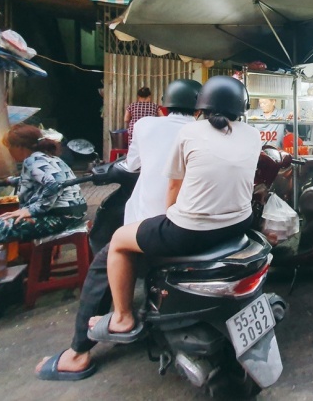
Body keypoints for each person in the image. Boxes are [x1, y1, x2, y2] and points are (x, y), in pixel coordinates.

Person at [35, 79, 202, 381]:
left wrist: (105, 171)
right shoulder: (210, 133)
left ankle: (80, 351)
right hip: (203, 224)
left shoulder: (147, 125)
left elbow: (130, 165)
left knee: (104, 264)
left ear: (163, 105)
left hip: (157, 225)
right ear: (200, 109)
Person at [86, 76, 261, 345]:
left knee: (120, 240)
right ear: (242, 107)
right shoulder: (252, 134)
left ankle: (122, 317)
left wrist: (167, 217)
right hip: (240, 222)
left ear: (201, 106)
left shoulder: (190, 132)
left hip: (191, 231)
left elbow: (173, 186)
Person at [0, 125, 86, 263]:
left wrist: (31, 210)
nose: (9, 151)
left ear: (19, 147)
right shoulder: (48, 158)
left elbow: (54, 183)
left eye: (9, 147)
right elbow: (36, 179)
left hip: (57, 218)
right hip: (71, 215)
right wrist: (7, 181)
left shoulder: (33, 160)